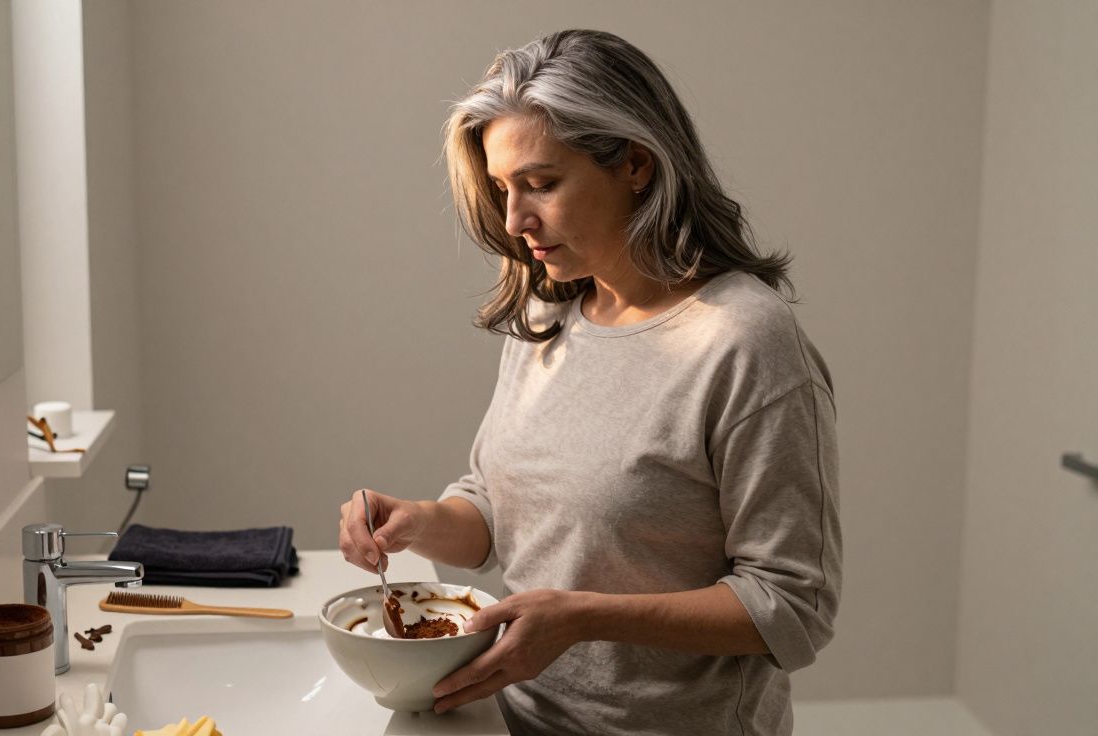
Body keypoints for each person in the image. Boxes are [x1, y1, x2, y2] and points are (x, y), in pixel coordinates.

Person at [338, 29, 840, 736]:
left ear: (636, 163)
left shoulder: (748, 341)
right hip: (517, 720)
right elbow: (503, 507)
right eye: (503, 189)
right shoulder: (550, 310)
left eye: (541, 184)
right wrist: (420, 523)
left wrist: (580, 618)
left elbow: (793, 604)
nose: (516, 220)